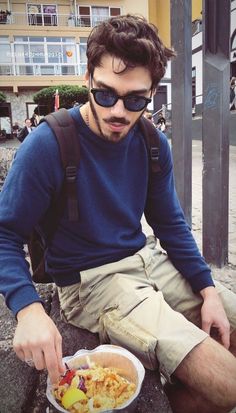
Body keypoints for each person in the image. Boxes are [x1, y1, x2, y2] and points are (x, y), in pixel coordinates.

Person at [0, 14, 235, 413]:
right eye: (106, 94)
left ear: (151, 93)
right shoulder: (48, 144)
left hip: (147, 262)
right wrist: (28, 309)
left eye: (135, 100)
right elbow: (5, 235)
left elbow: (171, 224)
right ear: (88, 78)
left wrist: (208, 291)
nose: (118, 111)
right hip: (91, 283)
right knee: (228, 386)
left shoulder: (152, 143)